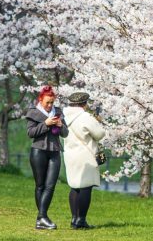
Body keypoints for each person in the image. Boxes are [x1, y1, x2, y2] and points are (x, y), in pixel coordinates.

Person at [62, 92, 107, 229]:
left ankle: (74, 219)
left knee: (75, 187)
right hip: (85, 156)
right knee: (86, 187)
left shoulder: (64, 117)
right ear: (84, 104)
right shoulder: (85, 117)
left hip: (70, 155)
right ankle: (81, 220)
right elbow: (99, 134)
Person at [26, 85, 68, 230]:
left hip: (55, 151)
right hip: (38, 151)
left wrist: (61, 125)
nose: (50, 106)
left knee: (50, 185)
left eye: (52, 102)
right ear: (41, 100)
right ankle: (42, 218)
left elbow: (65, 133)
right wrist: (45, 124)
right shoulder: (33, 112)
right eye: (47, 102)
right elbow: (31, 133)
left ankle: (41, 218)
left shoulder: (59, 113)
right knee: (40, 185)